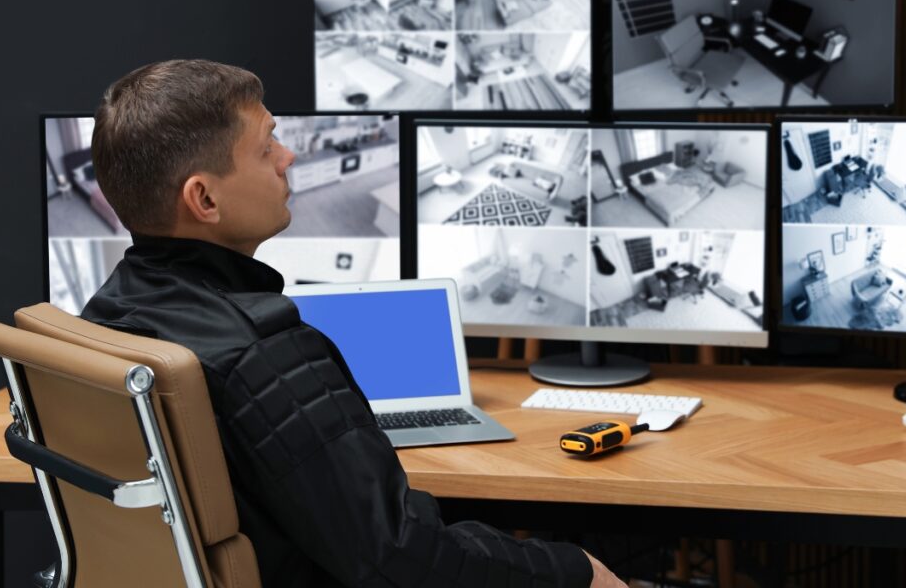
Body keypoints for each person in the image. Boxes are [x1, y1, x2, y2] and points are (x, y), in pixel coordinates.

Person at [82, 60, 627, 588]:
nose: (287, 156)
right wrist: (574, 568)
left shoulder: (101, 316)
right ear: (204, 198)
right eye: (267, 145)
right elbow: (401, 558)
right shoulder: (264, 352)